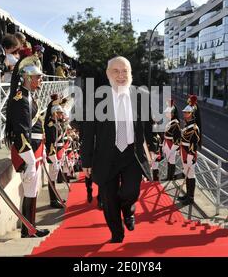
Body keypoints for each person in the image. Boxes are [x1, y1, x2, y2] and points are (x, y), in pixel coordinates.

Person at [80, 56, 157, 243]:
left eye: (125, 71)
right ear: (108, 74)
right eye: (116, 71)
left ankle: (128, 209)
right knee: (109, 200)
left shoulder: (142, 96)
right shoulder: (95, 99)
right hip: (106, 156)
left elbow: (148, 126)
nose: (121, 75)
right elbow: (88, 134)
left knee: (131, 192)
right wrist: (86, 161)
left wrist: (153, 148)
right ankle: (116, 233)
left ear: (130, 74)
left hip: (132, 154)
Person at [4, 55, 50, 238]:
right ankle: (28, 229)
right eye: (37, 77)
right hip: (27, 151)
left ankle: (29, 228)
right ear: (27, 78)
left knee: (32, 191)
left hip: (35, 148)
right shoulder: (21, 99)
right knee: (30, 190)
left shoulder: (28, 96)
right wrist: (30, 161)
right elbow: (21, 133)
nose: (40, 79)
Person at [177, 95, 201, 206]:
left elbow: (194, 143)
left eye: (186, 113)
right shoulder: (187, 125)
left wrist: (191, 155)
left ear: (191, 114)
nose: (184, 114)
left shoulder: (194, 127)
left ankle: (191, 197)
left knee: (191, 175)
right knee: (186, 174)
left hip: (189, 153)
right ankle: (187, 194)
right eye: (184, 112)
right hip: (184, 151)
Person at [44, 98, 65, 209]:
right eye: (60, 113)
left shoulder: (56, 123)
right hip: (52, 153)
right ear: (54, 113)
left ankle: (55, 197)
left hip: (56, 152)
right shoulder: (50, 125)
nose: (61, 115)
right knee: (52, 177)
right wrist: (53, 158)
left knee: (53, 177)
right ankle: (53, 200)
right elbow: (51, 143)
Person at [162, 100, 181, 181]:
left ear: (172, 114)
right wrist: (163, 144)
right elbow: (166, 135)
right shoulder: (169, 123)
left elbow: (177, 139)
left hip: (172, 146)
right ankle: (168, 177)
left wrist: (172, 150)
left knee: (171, 162)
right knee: (169, 162)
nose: (166, 115)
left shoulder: (175, 124)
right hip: (167, 144)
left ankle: (170, 177)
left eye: (168, 113)